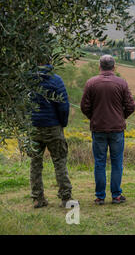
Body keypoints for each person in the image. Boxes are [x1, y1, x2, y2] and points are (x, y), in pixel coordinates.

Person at [81, 55, 135, 205]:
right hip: (117, 129)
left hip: (98, 128)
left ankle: (100, 196)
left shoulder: (91, 83)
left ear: (100, 66)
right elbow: (131, 106)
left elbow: (84, 106)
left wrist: (94, 117)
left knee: (99, 162)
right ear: (114, 66)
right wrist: (121, 117)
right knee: (117, 162)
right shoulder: (121, 83)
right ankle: (116, 195)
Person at [30, 64, 73, 208]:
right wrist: (63, 123)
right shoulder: (55, 80)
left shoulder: (28, 79)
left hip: (34, 126)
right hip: (53, 127)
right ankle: (66, 198)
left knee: (35, 163)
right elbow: (63, 105)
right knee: (59, 161)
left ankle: (37, 198)